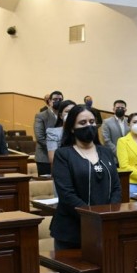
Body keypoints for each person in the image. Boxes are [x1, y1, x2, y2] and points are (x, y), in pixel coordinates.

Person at [50, 104, 121, 250]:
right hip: (72, 232)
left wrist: (109, 215)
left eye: (92, 122)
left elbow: (116, 188)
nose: (89, 126)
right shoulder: (63, 154)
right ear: (72, 128)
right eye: (82, 123)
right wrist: (93, 218)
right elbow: (66, 194)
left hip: (105, 226)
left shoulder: (106, 152)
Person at [34, 90, 63, 175]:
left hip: (62, 157)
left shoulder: (63, 116)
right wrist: (55, 148)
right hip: (44, 158)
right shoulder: (41, 116)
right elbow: (40, 137)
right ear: (49, 101)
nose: (58, 101)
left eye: (60, 100)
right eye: (55, 99)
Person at [48, 100, 76, 166]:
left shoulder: (81, 131)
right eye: (67, 111)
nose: (70, 114)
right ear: (61, 116)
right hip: (62, 167)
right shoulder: (53, 133)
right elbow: (52, 158)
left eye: (73, 112)